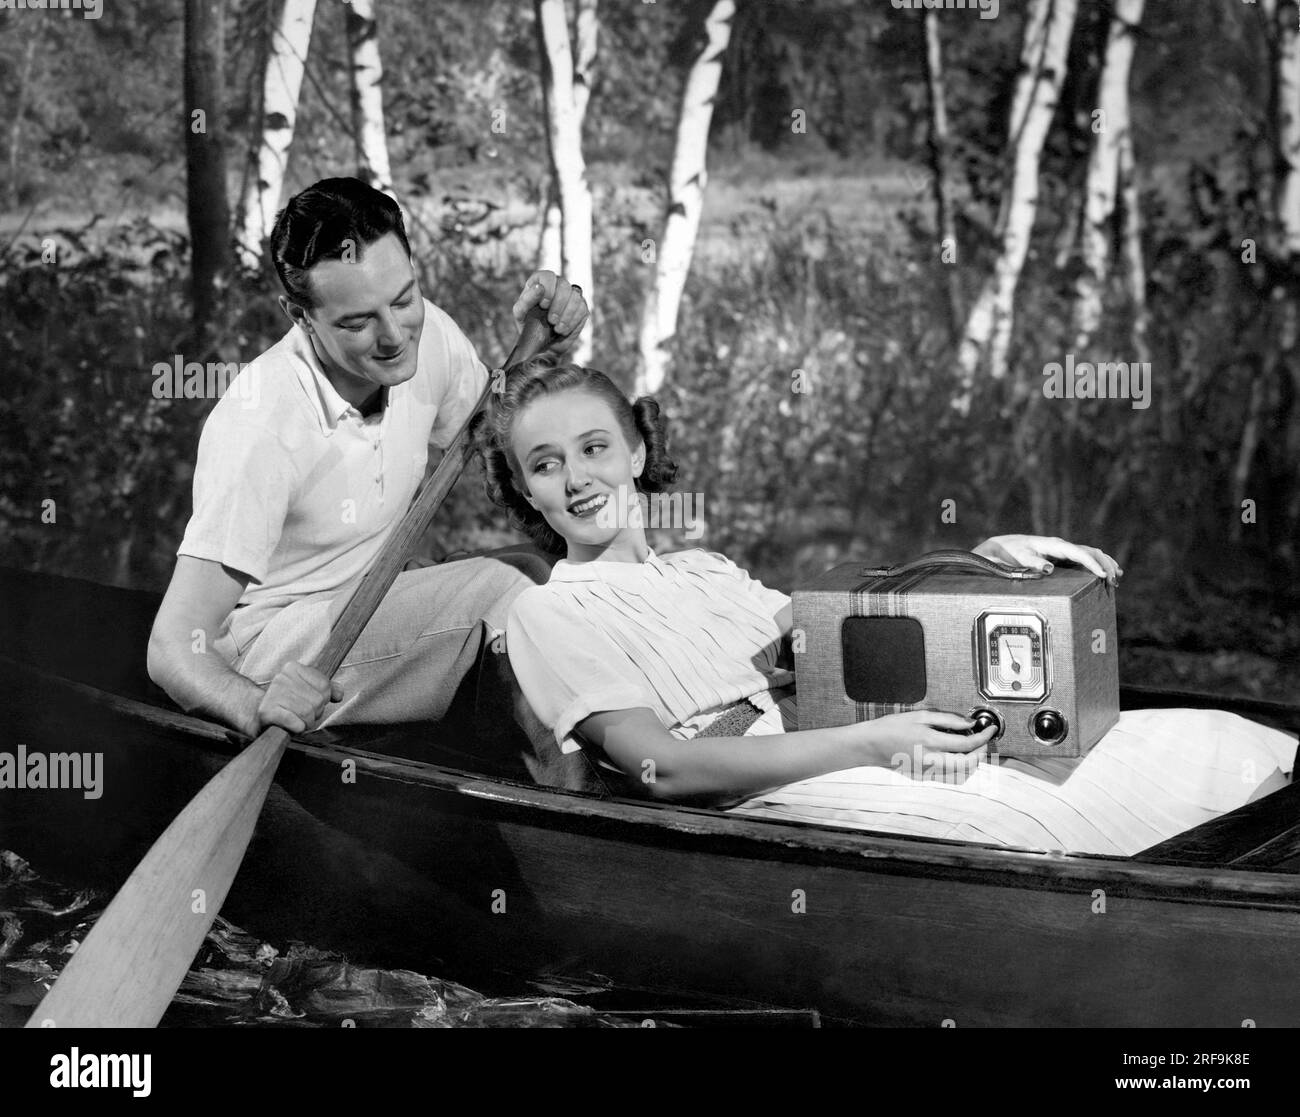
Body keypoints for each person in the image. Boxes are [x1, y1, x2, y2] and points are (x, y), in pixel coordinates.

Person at [484, 362, 1297, 856]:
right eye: (545, 464)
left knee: (1208, 741)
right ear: (526, 490)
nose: (578, 477)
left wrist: (983, 562)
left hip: (854, 733)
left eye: (594, 447)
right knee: (1023, 819)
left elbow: (847, 630)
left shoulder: (705, 567)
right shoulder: (548, 614)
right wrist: (871, 741)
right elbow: (667, 771)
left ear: (635, 449)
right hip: (762, 793)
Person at [147, 178, 587, 776]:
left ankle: (598, 740)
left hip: (374, 590)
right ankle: (589, 803)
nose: (394, 335)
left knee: (539, 571)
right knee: (500, 594)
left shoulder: (423, 332)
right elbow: (174, 644)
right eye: (356, 323)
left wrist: (545, 345)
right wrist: (255, 705)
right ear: (299, 316)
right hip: (280, 653)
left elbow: (498, 439)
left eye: (403, 299)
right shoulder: (262, 424)